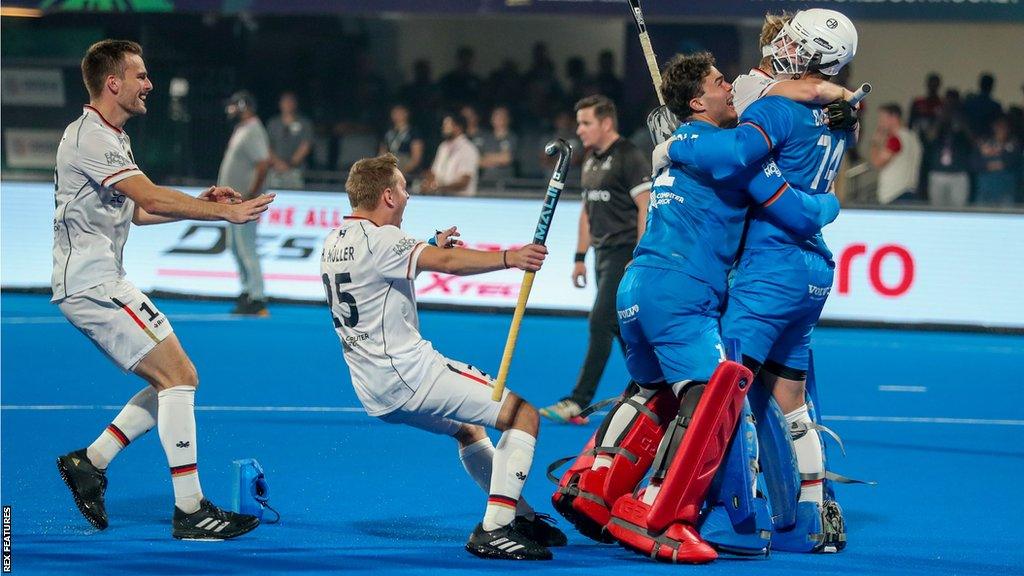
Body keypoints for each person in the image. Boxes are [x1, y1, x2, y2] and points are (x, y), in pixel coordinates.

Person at [553, 52, 839, 563]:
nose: (730, 86)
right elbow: (787, 198)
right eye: (719, 81)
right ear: (695, 101)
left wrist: (675, 138)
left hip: (637, 286)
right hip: (680, 293)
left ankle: (592, 487)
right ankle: (656, 510)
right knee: (712, 400)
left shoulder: (690, 144)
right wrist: (830, 197)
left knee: (655, 391)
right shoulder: (719, 149)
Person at [657, 9, 861, 552]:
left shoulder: (769, 103)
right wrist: (827, 206)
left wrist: (676, 143)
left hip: (769, 266)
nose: (782, 47)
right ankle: (812, 521)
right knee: (792, 397)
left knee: (727, 388)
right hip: (814, 270)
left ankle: (736, 518)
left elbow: (735, 155)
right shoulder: (843, 114)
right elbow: (821, 97)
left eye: (794, 41)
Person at [53, 39, 274, 540]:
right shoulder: (92, 137)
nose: (149, 84)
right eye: (140, 75)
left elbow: (138, 209)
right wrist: (223, 212)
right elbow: (149, 194)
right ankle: (191, 510)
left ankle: (91, 461)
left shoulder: (110, 135)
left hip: (101, 280)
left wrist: (197, 200)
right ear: (113, 83)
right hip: (92, 285)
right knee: (179, 377)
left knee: (176, 377)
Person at [321, 153, 565, 560]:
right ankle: (495, 528)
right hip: (411, 376)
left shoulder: (335, 241)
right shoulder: (381, 240)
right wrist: (511, 257)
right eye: (402, 187)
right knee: (524, 415)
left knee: (469, 430)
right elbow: (448, 263)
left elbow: (387, 265)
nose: (408, 193)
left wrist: (426, 246)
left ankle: (518, 515)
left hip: (374, 389)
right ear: (387, 196)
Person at [539, 95, 651, 425]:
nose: (580, 129)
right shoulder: (589, 161)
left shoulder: (629, 156)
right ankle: (656, 390)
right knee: (622, 329)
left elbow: (646, 206)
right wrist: (578, 257)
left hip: (625, 253)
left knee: (600, 321)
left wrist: (641, 256)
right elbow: (587, 213)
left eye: (586, 123)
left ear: (606, 123)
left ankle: (577, 401)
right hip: (601, 255)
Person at [219, 90, 272, 316]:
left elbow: (263, 163)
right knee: (234, 246)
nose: (231, 109)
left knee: (246, 246)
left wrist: (252, 194)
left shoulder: (254, 130)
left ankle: (257, 296)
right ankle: (246, 290)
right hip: (234, 202)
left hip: (245, 201)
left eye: (235, 105)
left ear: (243, 105)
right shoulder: (242, 129)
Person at [871, 103, 923, 204]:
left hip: (894, 194)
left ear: (894, 117)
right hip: (910, 190)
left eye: (882, 118)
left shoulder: (895, 140)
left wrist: (875, 143)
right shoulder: (913, 137)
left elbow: (877, 162)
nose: (880, 123)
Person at [420, 112, 480, 196]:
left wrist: (438, 188)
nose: (444, 128)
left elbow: (464, 182)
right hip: (441, 198)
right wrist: (427, 183)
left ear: (458, 127)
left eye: (447, 125)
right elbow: (434, 172)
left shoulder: (468, 149)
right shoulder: (443, 147)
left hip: (461, 201)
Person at [266, 91, 313, 190]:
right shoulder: (273, 123)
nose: (288, 104)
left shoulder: (304, 124)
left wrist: (290, 164)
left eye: (290, 101)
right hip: (275, 170)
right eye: (285, 101)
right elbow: (267, 146)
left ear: (295, 104)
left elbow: (306, 145)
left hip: (296, 170)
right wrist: (277, 163)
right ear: (280, 104)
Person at [380, 103, 425, 177]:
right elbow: (382, 152)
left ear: (406, 113)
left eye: (400, 112)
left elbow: (416, 158)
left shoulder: (413, 133)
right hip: (390, 167)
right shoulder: (388, 133)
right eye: (395, 113)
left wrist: (402, 171)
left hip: (407, 171)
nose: (397, 115)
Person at [478, 105, 518, 183]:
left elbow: (507, 159)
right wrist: (499, 158)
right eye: (496, 116)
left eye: (502, 116)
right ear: (491, 119)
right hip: (486, 181)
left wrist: (487, 157)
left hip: (506, 182)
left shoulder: (512, 137)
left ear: (508, 119)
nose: (499, 119)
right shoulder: (485, 137)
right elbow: (479, 161)